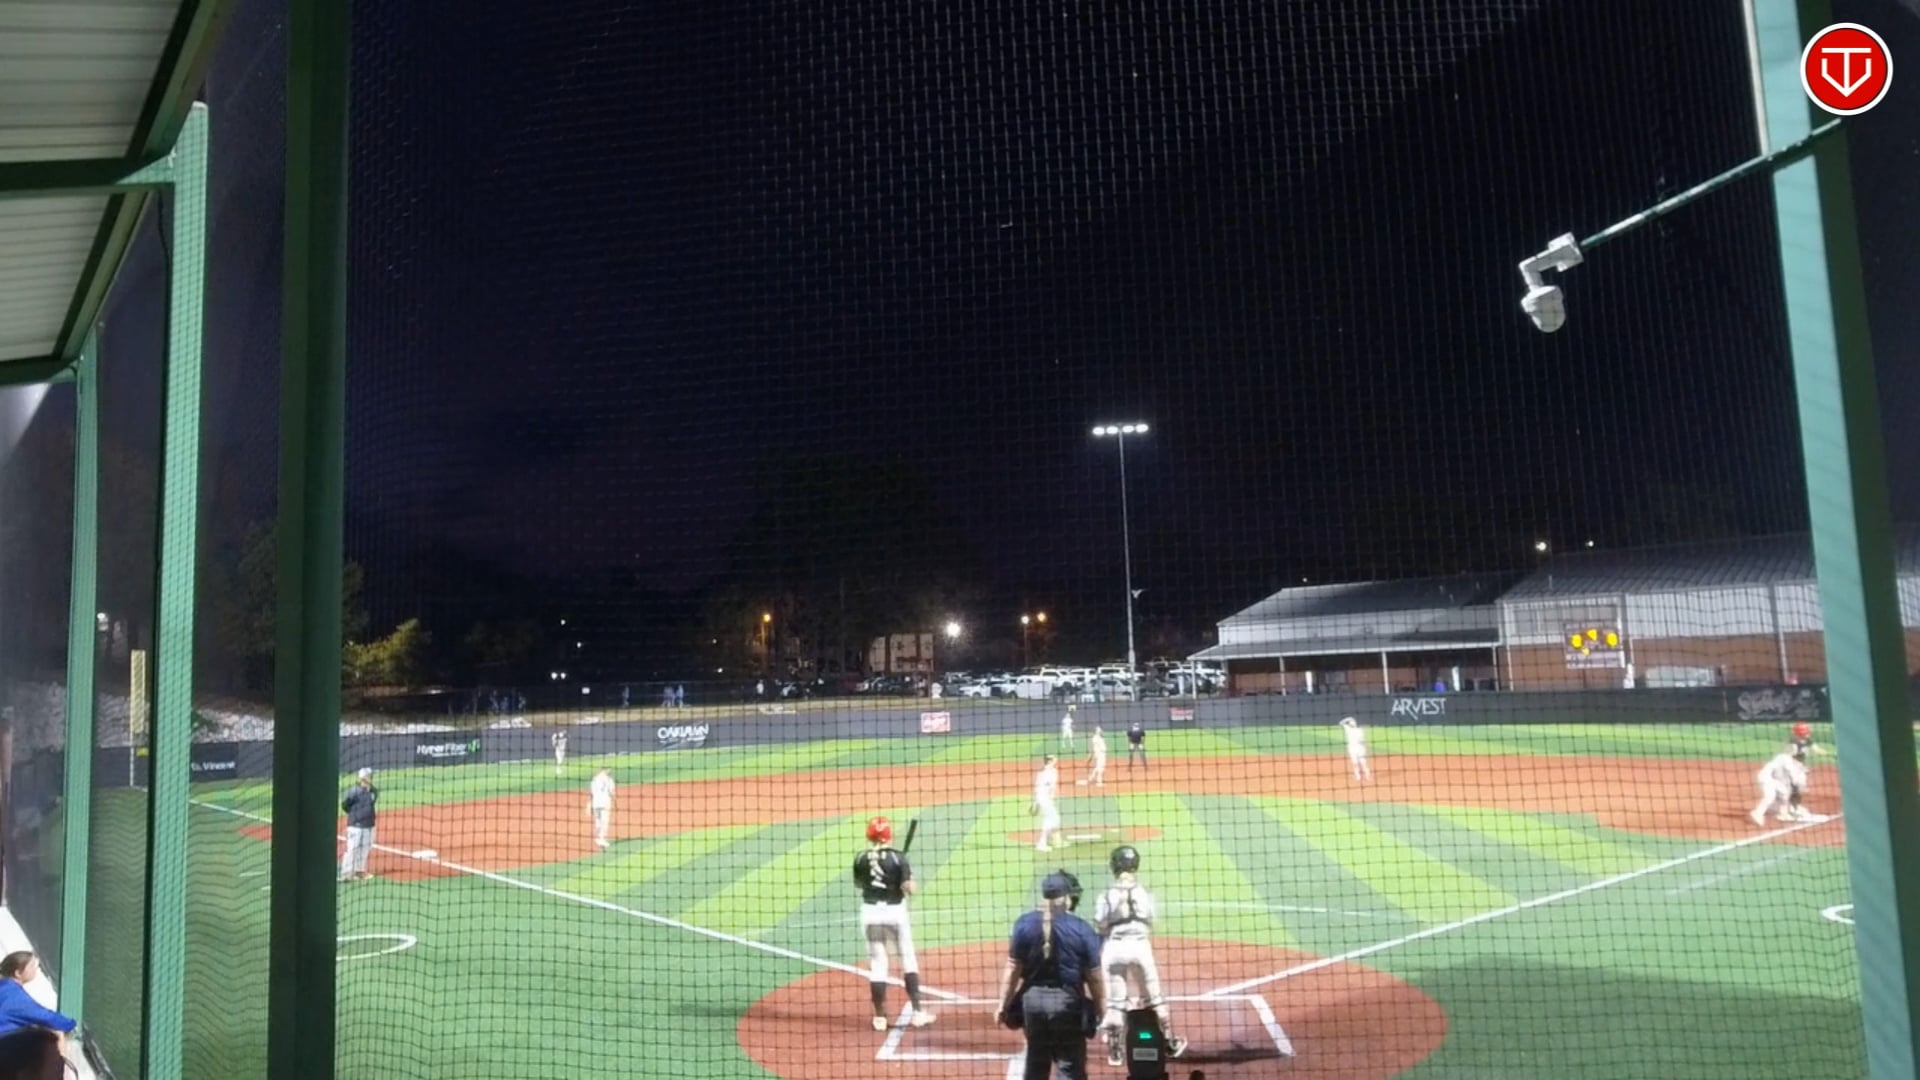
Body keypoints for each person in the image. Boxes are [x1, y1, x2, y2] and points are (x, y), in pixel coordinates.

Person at [995, 870, 1107, 1080]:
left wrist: (1002, 1004)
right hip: (1068, 1005)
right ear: (1065, 898)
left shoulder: (1023, 924)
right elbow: (1094, 977)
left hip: (1033, 1004)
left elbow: (1012, 969)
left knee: (1036, 1066)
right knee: (1070, 1068)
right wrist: (1103, 1011)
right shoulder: (1081, 929)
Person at [1094, 846, 1187, 1065]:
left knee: (1115, 1002)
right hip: (1140, 948)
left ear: (1115, 865)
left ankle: (1115, 1052)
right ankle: (1168, 1042)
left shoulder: (1106, 895)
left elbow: (1100, 924)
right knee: (1154, 998)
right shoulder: (1145, 893)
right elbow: (1152, 921)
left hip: (1114, 948)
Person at [853, 817, 934, 1031]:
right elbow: (910, 888)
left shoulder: (860, 858)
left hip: (870, 912)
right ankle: (918, 1013)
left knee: (878, 963)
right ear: (889, 836)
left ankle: (879, 1017)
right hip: (895, 913)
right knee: (908, 959)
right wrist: (902, 881)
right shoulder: (898, 858)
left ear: (869, 836)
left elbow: (859, 884)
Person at [0, 953, 75, 1074]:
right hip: (5, 1048)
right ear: (18, 973)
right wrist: (70, 1024)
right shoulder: (16, 998)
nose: (36, 969)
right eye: (32, 966)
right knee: (55, 1033)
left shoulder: (5, 988)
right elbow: (47, 1017)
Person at [1751, 750, 1813, 825]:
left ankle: (1783, 813)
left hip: (1775, 780)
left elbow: (1787, 778)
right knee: (1770, 796)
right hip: (1766, 777)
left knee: (1785, 794)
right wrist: (1802, 785)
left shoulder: (1786, 759)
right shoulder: (1786, 761)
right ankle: (1757, 813)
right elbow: (1794, 779)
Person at [339, 767, 378, 882]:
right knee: (352, 848)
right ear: (363, 778)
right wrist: (355, 815)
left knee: (365, 848)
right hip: (355, 826)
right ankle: (346, 873)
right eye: (369, 776)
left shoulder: (373, 791)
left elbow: (372, 801)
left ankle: (359, 871)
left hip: (369, 824)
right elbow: (345, 805)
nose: (371, 778)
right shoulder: (354, 791)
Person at [1032, 754, 1064, 852]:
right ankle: (1042, 843)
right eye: (1054, 758)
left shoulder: (1051, 771)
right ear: (1049, 761)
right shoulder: (1047, 772)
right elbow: (1044, 787)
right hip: (1044, 798)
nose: (1056, 758)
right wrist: (1038, 801)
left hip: (1045, 798)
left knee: (1053, 819)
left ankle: (1052, 840)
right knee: (1052, 819)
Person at [588, 767, 616, 849]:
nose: (610, 771)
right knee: (605, 821)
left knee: (598, 820)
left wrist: (589, 804)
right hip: (605, 802)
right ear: (604, 770)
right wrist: (614, 801)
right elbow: (612, 792)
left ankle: (598, 837)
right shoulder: (609, 780)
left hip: (596, 802)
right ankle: (602, 839)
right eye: (609, 769)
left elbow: (592, 793)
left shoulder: (594, 779)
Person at [1339, 717, 1372, 782]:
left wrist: (1349, 719)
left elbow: (1341, 723)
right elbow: (1362, 741)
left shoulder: (1348, 729)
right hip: (1360, 748)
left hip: (1353, 749)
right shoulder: (1359, 730)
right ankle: (1367, 776)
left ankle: (1358, 777)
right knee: (1363, 763)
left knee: (1356, 763)